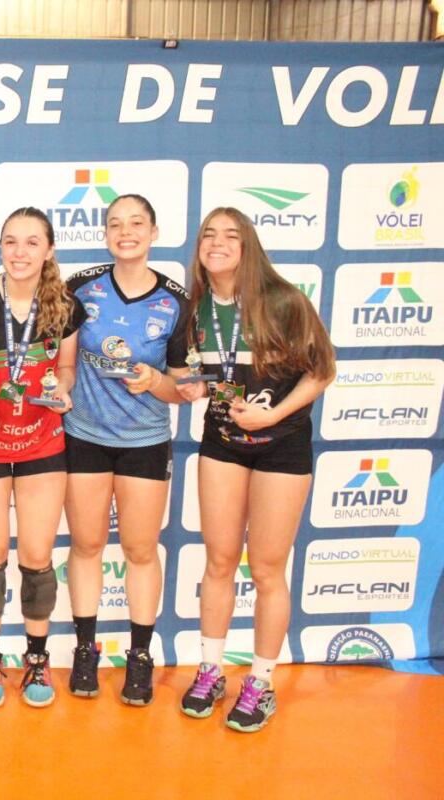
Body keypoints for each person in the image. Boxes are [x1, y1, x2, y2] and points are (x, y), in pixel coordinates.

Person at [174, 207, 335, 733]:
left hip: (281, 448)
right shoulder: (196, 308)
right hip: (223, 443)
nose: (217, 243)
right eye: (209, 235)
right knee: (219, 562)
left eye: (231, 235)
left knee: (266, 569)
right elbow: (205, 373)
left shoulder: (283, 300)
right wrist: (194, 388)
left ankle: (261, 682)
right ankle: (210, 670)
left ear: (248, 247)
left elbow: (322, 371)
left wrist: (274, 413)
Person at [0, 207, 83, 708]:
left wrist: (62, 390)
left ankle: (36, 659)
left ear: (49, 250)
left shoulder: (64, 304)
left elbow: (66, 368)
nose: (20, 252)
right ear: (0, 246)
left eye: (31, 242)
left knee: (37, 557)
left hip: (42, 442)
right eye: (11, 241)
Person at [62, 194, 191, 705]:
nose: (126, 232)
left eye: (137, 223)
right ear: (105, 233)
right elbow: (60, 359)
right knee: (86, 545)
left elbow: (182, 387)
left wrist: (156, 382)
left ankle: (140, 655)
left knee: (140, 550)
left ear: (153, 232)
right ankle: (85, 651)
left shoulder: (175, 301)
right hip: (85, 436)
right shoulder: (80, 288)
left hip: (144, 441)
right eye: (115, 224)